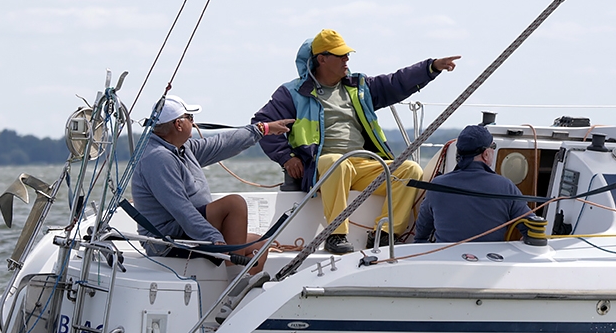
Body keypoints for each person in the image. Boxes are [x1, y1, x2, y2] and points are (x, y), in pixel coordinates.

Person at [253, 29, 460, 254]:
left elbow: (396, 83)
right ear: (321, 59)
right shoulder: (292, 93)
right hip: (322, 167)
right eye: (340, 55)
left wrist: (431, 67)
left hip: (361, 164)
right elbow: (262, 123)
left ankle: (384, 234)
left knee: (409, 169)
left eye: (347, 55)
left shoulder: (359, 87)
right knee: (337, 162)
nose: (347, 59)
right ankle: (336, 234)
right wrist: (287, 158)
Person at [132, 95, 293, 274]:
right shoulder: (158, 157)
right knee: (234, 204)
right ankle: (236, 283)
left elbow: (222, 144)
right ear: (178, 124)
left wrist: (263, 129)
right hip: (166, 241)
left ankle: (239, 295)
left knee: (260, 245)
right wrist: (214, 238)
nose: (193, 123)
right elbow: (181, 209)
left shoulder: (182, 148)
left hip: (188, 231)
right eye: (190, 118)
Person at [414, 125, 531, 243]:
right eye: (493, 147)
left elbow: (421, 234)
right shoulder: (506, 187)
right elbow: (531, 228)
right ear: (486, 154)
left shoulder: (437, 185)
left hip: (446, 259)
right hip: (489, 260)